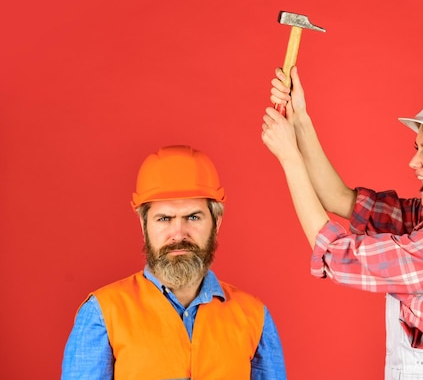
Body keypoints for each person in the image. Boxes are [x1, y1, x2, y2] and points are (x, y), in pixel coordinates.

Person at [261, 66, 423, 379]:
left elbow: (335, 253)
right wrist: (300, 118)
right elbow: (339, 199)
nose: (413, 161)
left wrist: (289, 157)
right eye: (417, 148)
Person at [61, 145, 287, 380]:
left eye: (193, 217)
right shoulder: (102, 313)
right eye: (164, 219)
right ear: (144, 225)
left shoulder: (254, 316)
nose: (178, 234)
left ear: (216, 222)